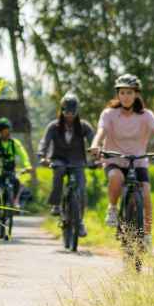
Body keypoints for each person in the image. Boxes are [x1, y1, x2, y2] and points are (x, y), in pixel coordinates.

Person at [89, 74, 154, 252]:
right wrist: (95, 145)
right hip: (114, 158)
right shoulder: (109, 114)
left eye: (129, 92)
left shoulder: (146, 115)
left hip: (138, 161)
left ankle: (147, 237)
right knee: (115, 177)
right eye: (122, 93)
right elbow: (101, 131)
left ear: (136, 94)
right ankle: (112, 208)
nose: (125, 96)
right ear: (117, 95)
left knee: (146, 196)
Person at [37, 93, 95, 237]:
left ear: (77, 112)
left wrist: (97, 157)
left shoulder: (84, 126)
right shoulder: (53, 126)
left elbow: (94, 143)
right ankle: (56, 204)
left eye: (72, 113)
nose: (69, 116)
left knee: (81, 189)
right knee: (59, 171)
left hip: (77, 161)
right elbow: (45, 142)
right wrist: (42, 156)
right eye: (66, 112)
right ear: (62, 111)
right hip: (59, 159)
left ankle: (80, 222)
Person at [0, 117, 30, 231]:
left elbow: (23, 154)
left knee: (16, 182)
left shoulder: (14, 143)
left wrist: (27, 166)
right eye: (4, 131)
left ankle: (14, 202)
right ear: (0, 132)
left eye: (8, 131)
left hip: (10, 171)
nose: (7, 133)